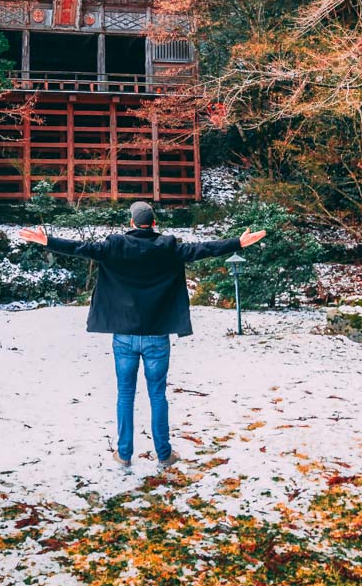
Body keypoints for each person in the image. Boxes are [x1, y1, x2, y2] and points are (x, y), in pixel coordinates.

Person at [18, 201, 267, 469]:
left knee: (125, 394)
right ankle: (164, 454)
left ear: (131, 223)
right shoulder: (169, 247)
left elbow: (81, 249)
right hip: (157, 336)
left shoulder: (114, 246)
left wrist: (47, 241)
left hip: (124, 336)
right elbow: (202, 249)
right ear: (154, 223)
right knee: (157, 395)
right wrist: (237, 243)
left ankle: (124, 454)